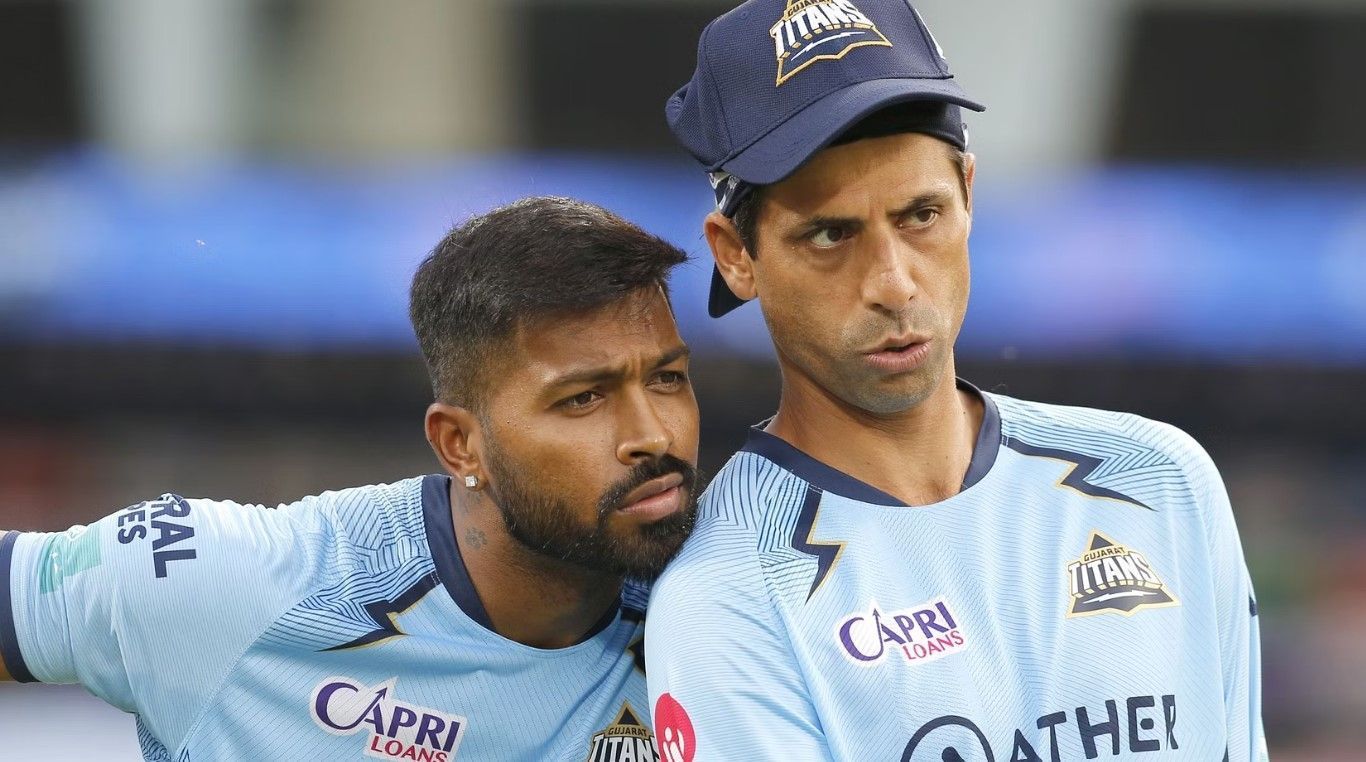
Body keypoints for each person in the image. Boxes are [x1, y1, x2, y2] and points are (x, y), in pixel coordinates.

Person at [645, 2, 1267, 760]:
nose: (894, 283)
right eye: (831, 234)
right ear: (735, 255)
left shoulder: (1162, 479)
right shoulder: (727, 595)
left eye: (920, 215)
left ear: (969, 193)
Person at [0, 196, 698, 760]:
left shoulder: (738, 605)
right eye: (583, 398)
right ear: (460, 447)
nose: (654, 436)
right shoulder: (233, 583)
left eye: (668, 378)